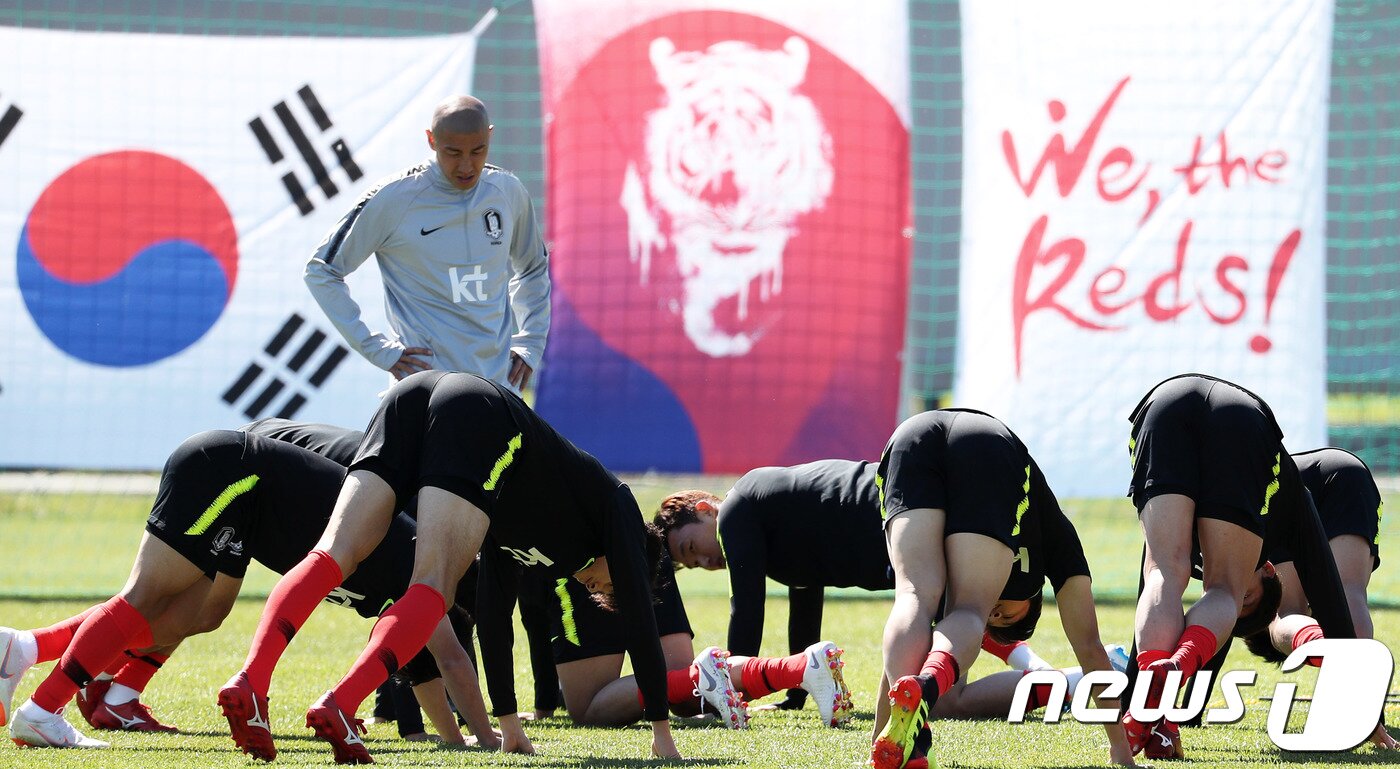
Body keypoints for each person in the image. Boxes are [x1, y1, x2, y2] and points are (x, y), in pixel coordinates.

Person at [218, 370, 680, 763]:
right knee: (432, 586)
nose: (595, 588)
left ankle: (250, 681)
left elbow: (497, 616)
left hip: (412, 393)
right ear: (633, 559)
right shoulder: (617, 507)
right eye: (607, 584)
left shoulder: (530, 535)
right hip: (481, 412)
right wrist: (662, 734)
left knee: (333, 554)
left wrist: (509, 726)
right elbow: (640, 618)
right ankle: (342, 703)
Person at [1, 424, 494, 751]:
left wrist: (452, 738)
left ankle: (30, 652)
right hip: (232, 470)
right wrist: (488, 738)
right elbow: (447, 659)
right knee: (147, 596)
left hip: (250, 504)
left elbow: (428, 665)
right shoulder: (424, 568)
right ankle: (43, 709)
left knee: (197, 614)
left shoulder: (410, 578)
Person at [655, 463, 1058, 719]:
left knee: (963, 643)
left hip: (892, 510)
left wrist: (729, 686)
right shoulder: (766, 526)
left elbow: (746, 609)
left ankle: (1067, 679)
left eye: (693, 548)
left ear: (707, 509)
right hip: (897, 507)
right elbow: (806, 590)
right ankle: (1056, 675)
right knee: (967, 617)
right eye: (693, 566)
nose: (706, 562)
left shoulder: (737, 511)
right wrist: (796, 693)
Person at [867, 409, 1132, 769]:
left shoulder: (959, 568)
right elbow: (1088, 645)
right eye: (1008, 616)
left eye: (998, 621)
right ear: (1035, 595)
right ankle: (928, 688)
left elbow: (903, 651)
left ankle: (906, 739)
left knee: (913, 597)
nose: (998, 613)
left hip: (913, 434)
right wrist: (1121, 751)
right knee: (967, 609)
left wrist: (879, 740)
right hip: (987, 440)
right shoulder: (1058, 540)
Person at [1119, 374, 1355, 756]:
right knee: (1222, 589)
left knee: (1162, 573)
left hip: (1165, 400)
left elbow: (1151, 590)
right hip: (1244, 418)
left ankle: (1153, 713)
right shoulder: (1289, 505)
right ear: (1268, 570)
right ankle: (1175, 669)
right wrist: (1362, 702)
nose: (1245, 594)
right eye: (1252, 596)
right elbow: (1327, 584)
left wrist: (1133, 696)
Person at [305, 94, 550, 390]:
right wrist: (377, 349)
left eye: (478, 150)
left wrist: (530, 342)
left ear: (490, 136)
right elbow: (321, 270)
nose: (466, 165)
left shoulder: (507, 191)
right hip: (423, 393)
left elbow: (533, 268)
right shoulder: (395, 197)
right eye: (453, 152)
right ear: (431, 140)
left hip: (497, 390)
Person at [1237, 447, 1396, 750]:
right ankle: (1359, 697)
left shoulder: (1266, 593)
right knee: (1348, 593)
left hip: (1292, 484)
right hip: (1344, 468)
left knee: (1284, 615)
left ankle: (1356, 697)